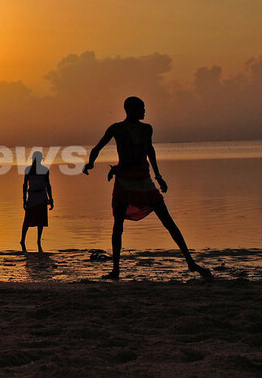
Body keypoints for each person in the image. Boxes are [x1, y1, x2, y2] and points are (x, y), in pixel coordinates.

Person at [83, 96, 211, 280]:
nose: (144, 111)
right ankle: (116, 270)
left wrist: (159, 177)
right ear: (131, 110)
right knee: (118, 226)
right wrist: (91, 164)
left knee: (168, 222)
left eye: (144, 108)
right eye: (141, 108)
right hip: (124, 181)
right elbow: (97, 147)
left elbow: (150, 151)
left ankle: (190, 262)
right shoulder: (117, 129)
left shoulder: (146, 129)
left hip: (144, 180)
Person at [21, 151, 53, 253]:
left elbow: (48, 185)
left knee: (41, 220)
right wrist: (24, 199)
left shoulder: (44, 170)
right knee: (28, 219)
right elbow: (25, 185)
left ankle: (38, 241)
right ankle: (23, 240)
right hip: (33, 196)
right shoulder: (29, 170)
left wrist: (51, 199)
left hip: (41, 196)